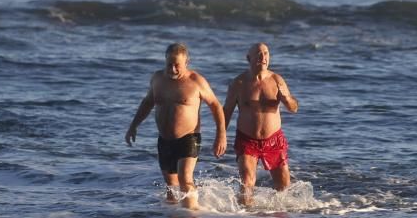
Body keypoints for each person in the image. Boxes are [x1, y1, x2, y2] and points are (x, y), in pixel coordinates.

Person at [125, 43, 227, 209]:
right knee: (171, 186)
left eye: (177, 65)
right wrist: (133, 125)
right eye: (169, 64)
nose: (172, 69)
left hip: (188, 137)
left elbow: (215, 105)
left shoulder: (196, 81)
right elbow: (148, 102)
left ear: (186, 62)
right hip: (164, 139)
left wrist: (221, 134)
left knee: (185, 180)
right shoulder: (157, 78)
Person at [223, 42, 299, 205]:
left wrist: (287, 99)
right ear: (248, 58)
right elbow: (226, 112)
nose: (262, 57)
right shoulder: (239, 83)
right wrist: (220, 136)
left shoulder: (277, 80)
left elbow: (294, 108)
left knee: (284, 185)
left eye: (265, 53)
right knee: (247, 183)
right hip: (247, 140)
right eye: (258, 54)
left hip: (274, 140)